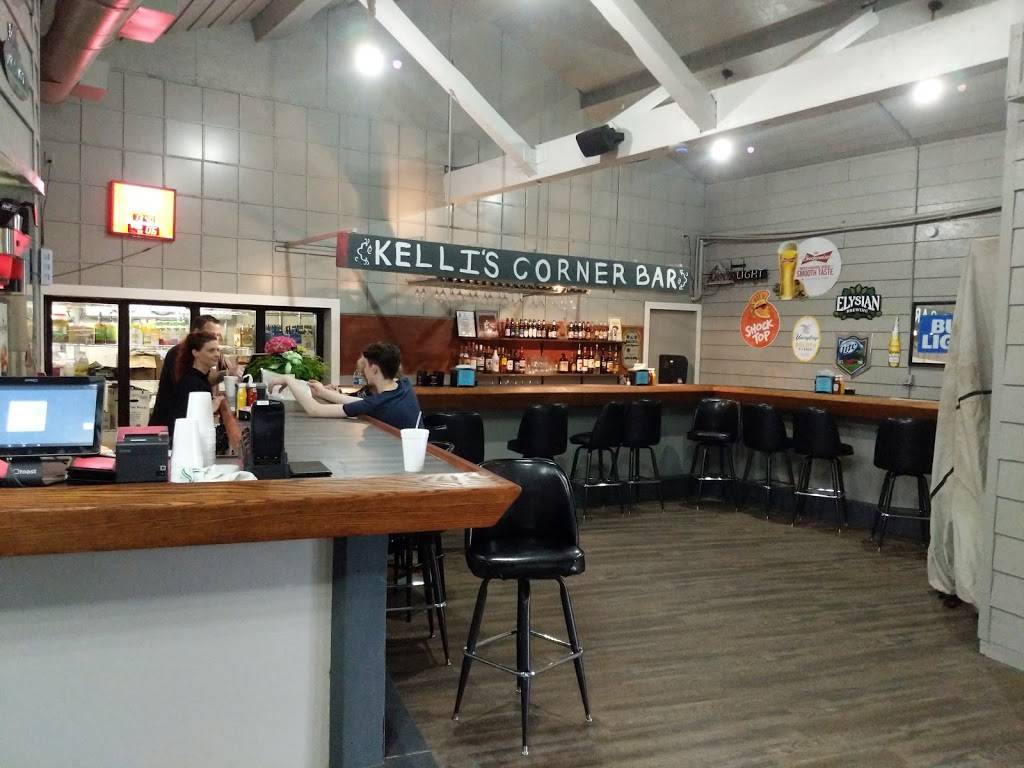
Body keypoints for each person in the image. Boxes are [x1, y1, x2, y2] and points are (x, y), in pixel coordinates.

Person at [276, 342, 420, 430]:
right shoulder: (404, 385)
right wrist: (323, 392)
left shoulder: (377, 403)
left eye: (365, 365)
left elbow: (314, 410)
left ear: (374, 369)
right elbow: (359, 402)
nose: (363, 370)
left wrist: (289, 380)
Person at [150, 314, 239, 426]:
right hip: (168, 425)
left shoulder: (198, 375)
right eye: (211, 335)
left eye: (218, 336)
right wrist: (210, 406)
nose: (215, 339)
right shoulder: (179, 355)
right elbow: (187, 399)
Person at [167, 331, 225, 438]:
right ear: (195, 353)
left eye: (218, 350)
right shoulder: (192, 382)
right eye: (211, 350)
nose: (217, 354)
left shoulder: (197, 378)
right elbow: (188, 419)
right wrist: (210, 408)